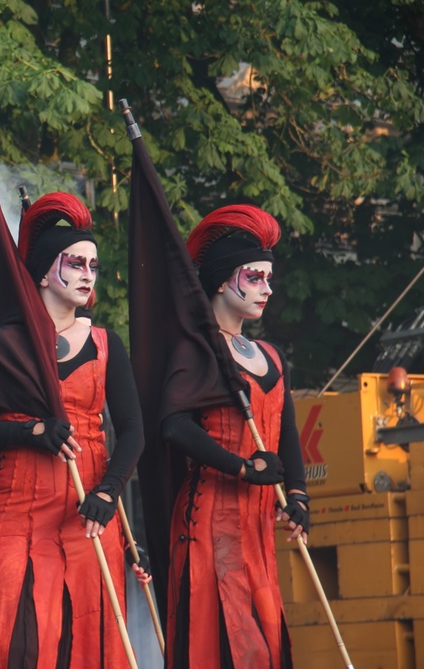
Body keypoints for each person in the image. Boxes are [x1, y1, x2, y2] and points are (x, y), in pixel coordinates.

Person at [0, 192, 145, 667]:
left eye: (93, 265)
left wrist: (110, 492)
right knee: (21, 646)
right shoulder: (7, 343)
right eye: (76, 262)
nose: (88, 274)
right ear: (45, 270)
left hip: (87, 515)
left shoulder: (105, 343)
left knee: (85, 645)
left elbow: (133, 431)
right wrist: (27, 433)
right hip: (16, 517)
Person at [163, 204, 308, 667]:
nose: (267, 288)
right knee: (226, 647)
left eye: (269, 277)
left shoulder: (271, 354)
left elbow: (286, 435)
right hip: (210, 525)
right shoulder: (200, 348)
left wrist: (300, 497)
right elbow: (174, 424)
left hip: (258, 528)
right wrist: (241, 466)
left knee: (265, 646)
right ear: (224, 279)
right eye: (255, 277)